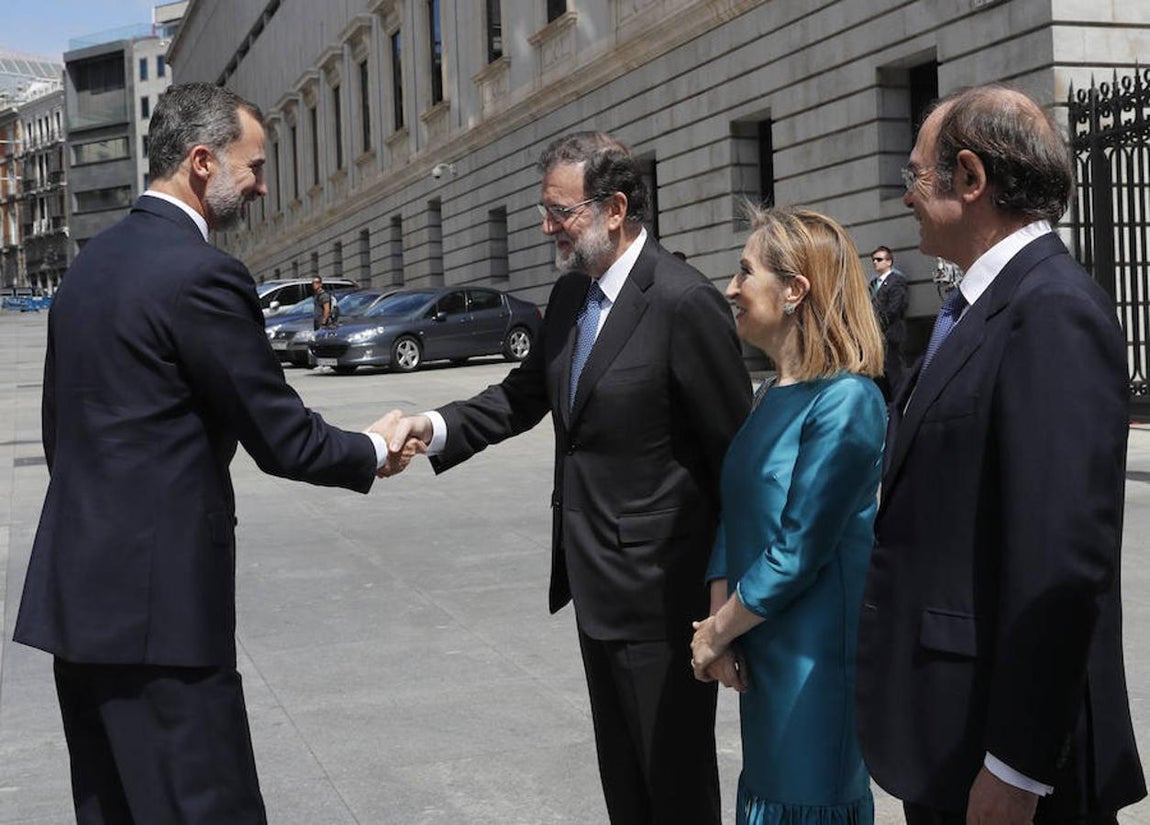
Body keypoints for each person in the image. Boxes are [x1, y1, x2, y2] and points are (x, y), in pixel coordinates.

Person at [13, 83, 404, 825]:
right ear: (201, 161)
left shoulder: (86, 271)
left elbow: (61, 434)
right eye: (252, 165)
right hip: (163, 617)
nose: (261, 184)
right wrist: (373, 445)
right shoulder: (203, 274)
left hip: (78, 608)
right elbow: (281, 436)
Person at [384, 131, 751, 824]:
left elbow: (737, 457)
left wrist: (732, 606)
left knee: (673, 786)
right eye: (544, 210)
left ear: (614, 208)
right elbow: (518, 399)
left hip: (662, 598)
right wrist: (427, 426)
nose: (547, 226)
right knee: (625, 785)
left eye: (561, 212)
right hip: (593, 589)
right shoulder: (568, 299)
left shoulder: (682, 300)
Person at [856, 84, 1146, 825]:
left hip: (1003, 756)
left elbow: (1061, 561)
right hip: (948, 727)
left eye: (914, 177)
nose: (906, 198)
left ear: (972, 179)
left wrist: (1016, 764)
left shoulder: (1050, 310)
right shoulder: (980, 304)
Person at [689, 205, 886, 825]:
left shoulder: (848, 401)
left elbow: (800, 548)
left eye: (745, 272)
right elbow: (735, 513)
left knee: (807, 802)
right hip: (761, 647)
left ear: (795, 290)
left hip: (815, 666)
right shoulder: (771, 394)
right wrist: (721, 628)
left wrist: (717, 631)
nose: (730, 289)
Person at [869, 244, 908, 400]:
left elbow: (894, 309)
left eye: (879, 259)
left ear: (889, 262)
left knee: (893, 372)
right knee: (879, 372)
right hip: (877, 336)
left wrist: (874, 323)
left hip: (890, 334)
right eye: (873, 260)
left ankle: (899, 403)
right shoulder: (873, 284)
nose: (875, 263)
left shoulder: (896, 281)